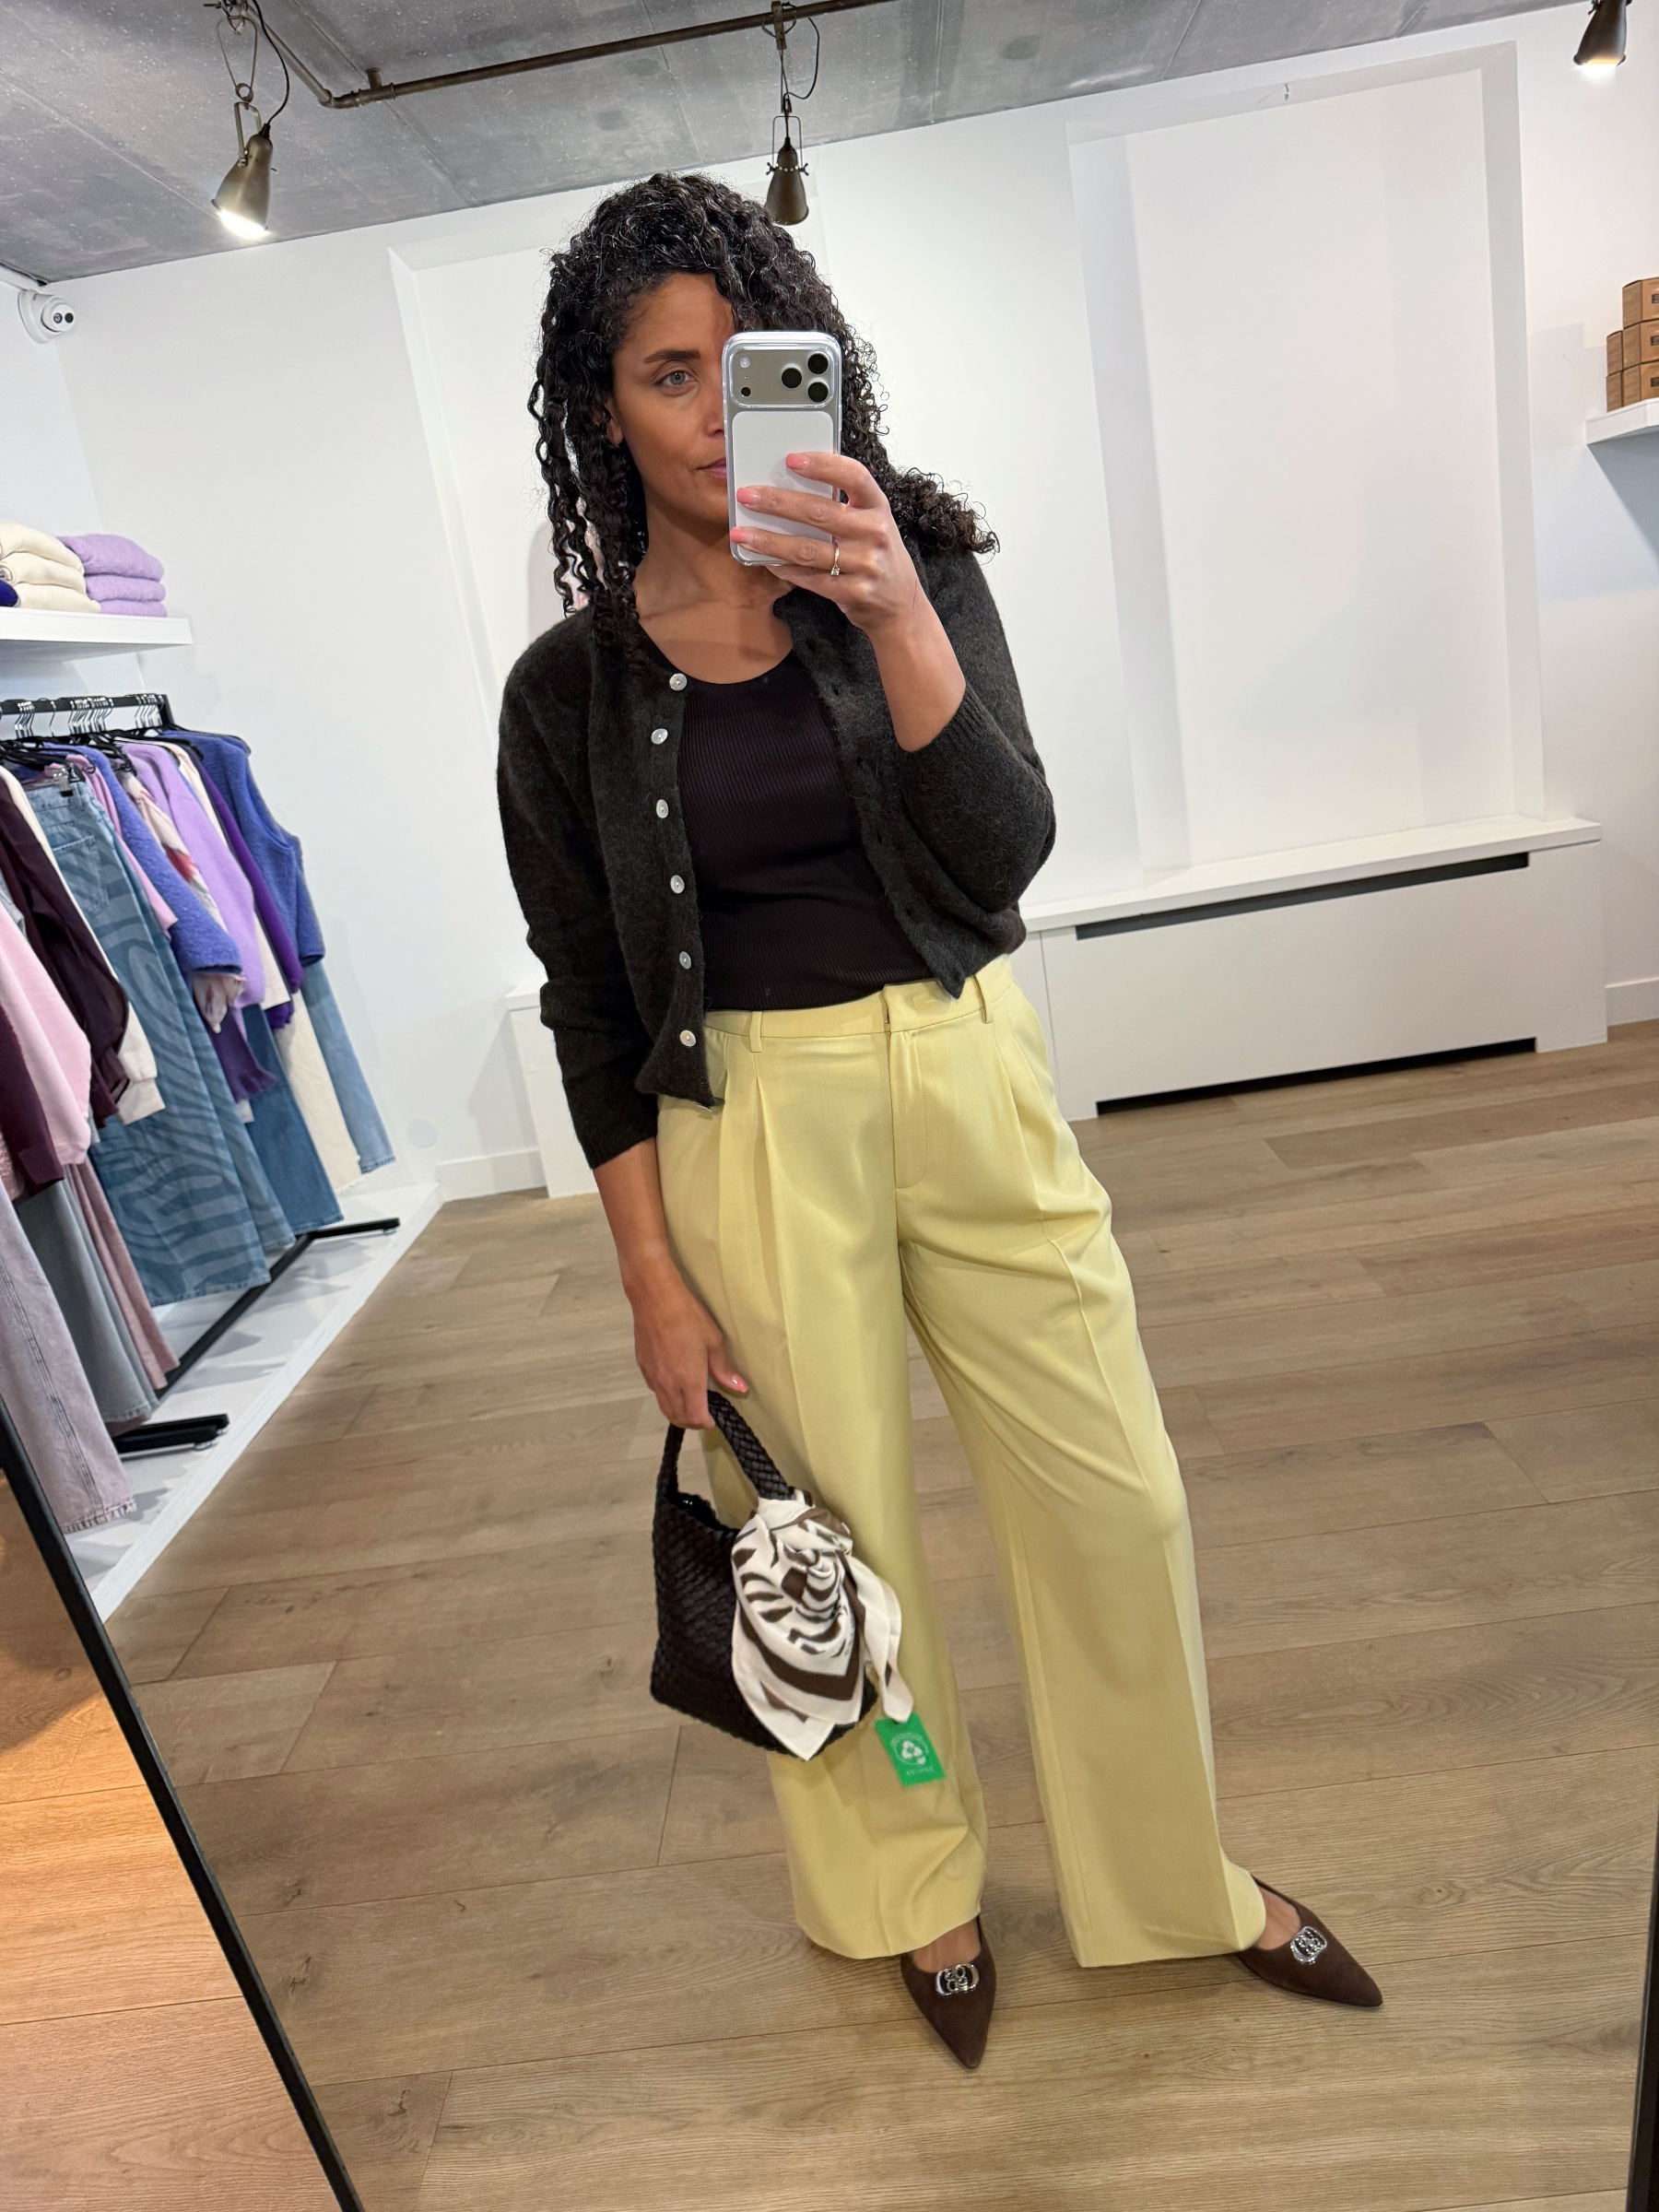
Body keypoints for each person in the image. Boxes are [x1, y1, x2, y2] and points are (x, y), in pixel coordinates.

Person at [497, 171, 1381, 2070]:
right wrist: (650, 1279)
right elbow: (589, 1003)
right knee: (826, 1546)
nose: (714, 413)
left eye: (746, 365)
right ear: (603, 409)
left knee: (1117, 1497)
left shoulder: (920, 567)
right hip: (747, 1121)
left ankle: (1172, 1880)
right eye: (667, 376)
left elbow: (1006, 849)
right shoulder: (565, 692)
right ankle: (909, 1889)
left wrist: (893, 608)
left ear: (809, 365)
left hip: (968, 1067)